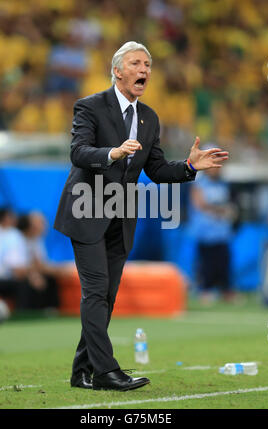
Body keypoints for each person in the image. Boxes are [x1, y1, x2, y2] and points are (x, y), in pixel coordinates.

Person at [54, 41, 229, 391]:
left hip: (122, 214)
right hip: (86, 209)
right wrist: (113, 153)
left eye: (148, 64)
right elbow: (79, 153)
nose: (145, 70)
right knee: (96, 291)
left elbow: (158, 169)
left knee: (107, 295)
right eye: (136, 63)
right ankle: (105, 372)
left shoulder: (148, 117)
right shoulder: (89, 106)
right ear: (118, 71)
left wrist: (191, 166)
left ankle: (81, 371)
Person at [189, 162, 238, 304]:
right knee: (206, 263)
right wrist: (221, 210)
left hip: (221, 232)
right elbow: (201, 204)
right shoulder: (199, 184)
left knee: (223, 262)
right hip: (205, 232)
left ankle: (226, 290)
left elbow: (231, 207)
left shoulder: (223, 185)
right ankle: (205, 289)